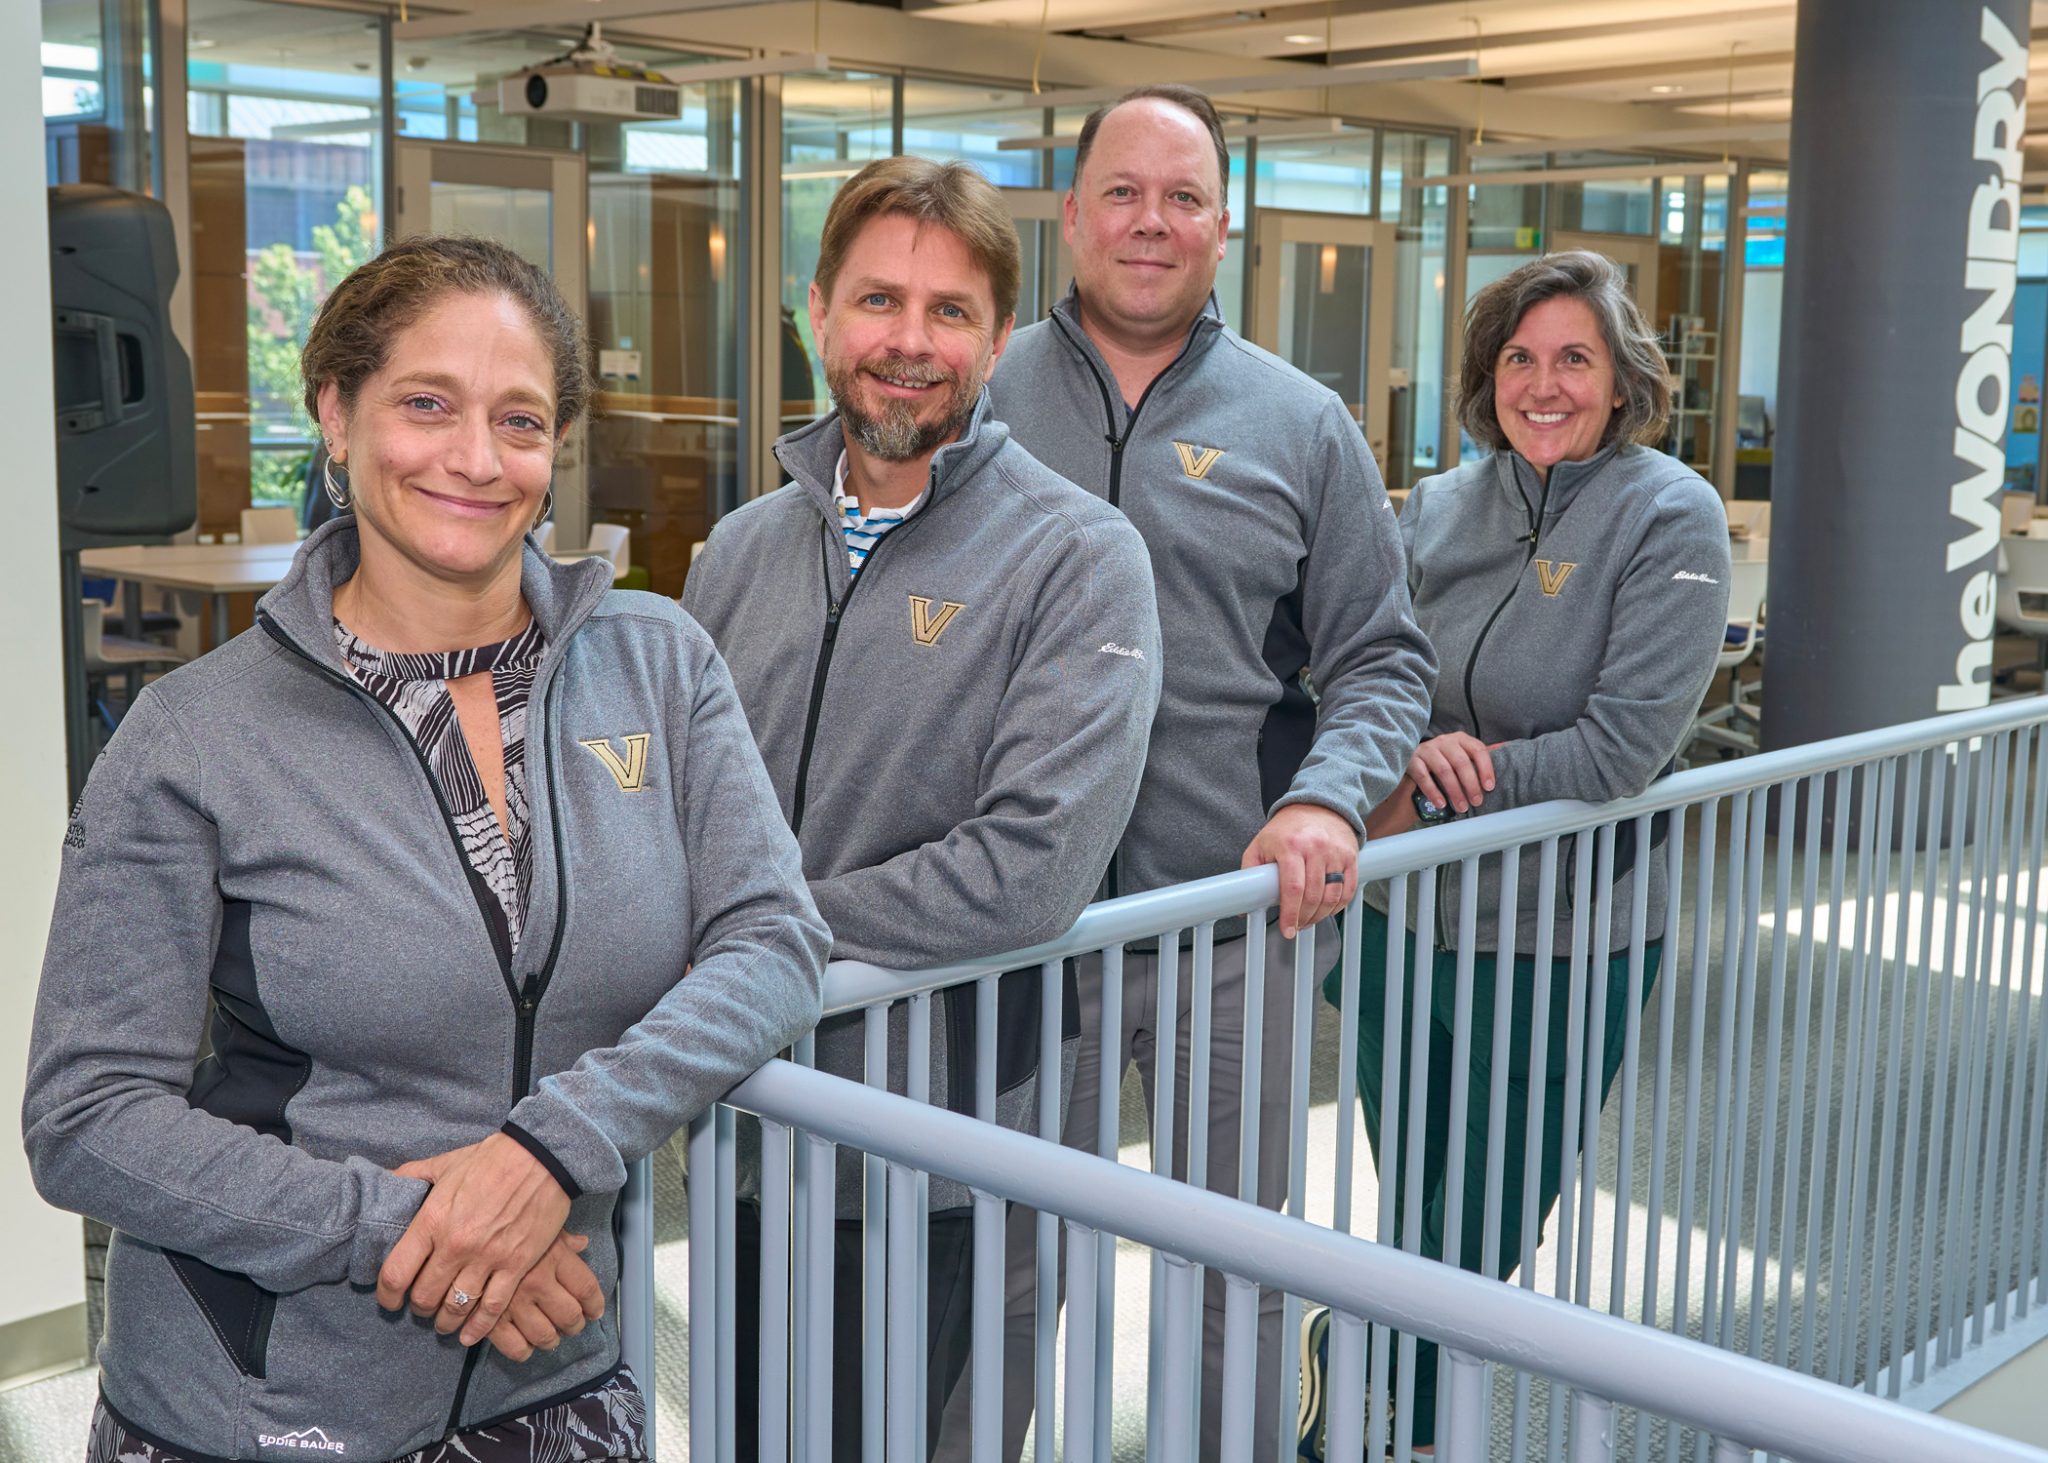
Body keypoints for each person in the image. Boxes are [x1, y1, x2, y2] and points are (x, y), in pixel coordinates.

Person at [24, 234, 829, 1463]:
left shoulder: (659, 663)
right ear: (336, 414)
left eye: (518, 419)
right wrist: (410, 1228)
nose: (473, 457)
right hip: (267, 1402)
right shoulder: (194, 735)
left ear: (554, 450)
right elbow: (86, 1114)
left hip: (560, 1377)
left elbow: (772, 937)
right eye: (425, 403)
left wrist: (551, 1148)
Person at [940, 85, 1435, 1463]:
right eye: (1123, 192)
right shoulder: (973, 398)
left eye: (1182, 197)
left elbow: (1384, 658)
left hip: (1231, 927)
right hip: (1018, 930)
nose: (1150, 221)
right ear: (1073, 212)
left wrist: (1330, 791)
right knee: (998, 1261)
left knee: (1234, 1265)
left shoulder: (1301, 421)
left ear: (1227, 225)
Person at [683, 155, 1162, 1461]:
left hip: (934, 1147)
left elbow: (1028, 869)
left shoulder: (1076, 558)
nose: (909, 342)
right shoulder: (740, 550)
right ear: (817, 310)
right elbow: (670, 816)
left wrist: (745, 936)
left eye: (951, 310)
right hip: (741, 1127)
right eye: (879, 299)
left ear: (998, 337)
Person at [1313, 249, 1732, 1454]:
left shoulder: (1667, 513)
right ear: (1485, 375)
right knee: (1416, 1208)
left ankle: (1344, 1392)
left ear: (1618, 381)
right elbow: (1357, 672)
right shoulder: (1439, 506)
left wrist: (1452, 773)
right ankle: (1407, 1424)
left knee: (1476, 1227)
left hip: (1561, 940)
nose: (1541, 385)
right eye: (1517, 358)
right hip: (1402, 928)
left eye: (1572, 359)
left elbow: (1617, 752)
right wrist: (1408, 754)